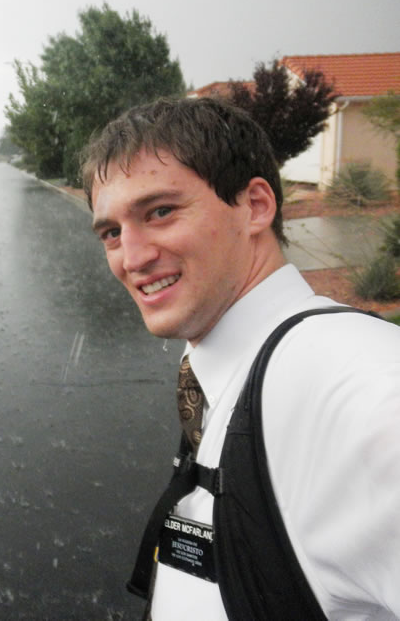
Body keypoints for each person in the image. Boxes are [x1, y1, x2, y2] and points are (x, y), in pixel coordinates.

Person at [82, 96, 400, 619]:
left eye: (160, 212)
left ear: (255, 206)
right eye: (111, 233)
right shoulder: (233, 367)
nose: (131, 258)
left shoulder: (362, 393)